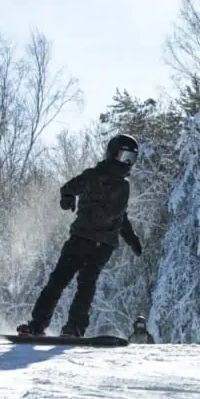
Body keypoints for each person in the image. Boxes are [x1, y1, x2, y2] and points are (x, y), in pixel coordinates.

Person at [17, 134, 144, 338]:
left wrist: (132, 240)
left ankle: (74, 327)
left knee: (87, 283)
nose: (127, 163)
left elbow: (122, 217)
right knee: (59, 279)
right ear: (113, 154)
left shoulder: (124, 186)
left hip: (104, 244)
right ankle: (37, 324)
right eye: (124, 157)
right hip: (81, 237)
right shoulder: (93, 175)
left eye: (132, 159)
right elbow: (68, 188)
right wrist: (67, 198)